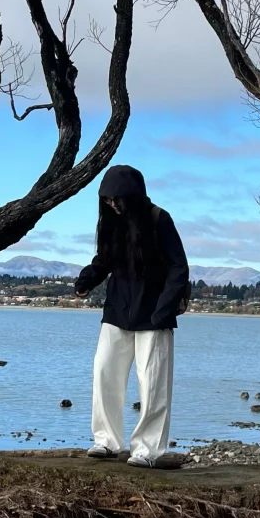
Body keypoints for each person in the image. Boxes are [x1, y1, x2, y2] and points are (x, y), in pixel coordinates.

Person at [74, 165, 189, 467]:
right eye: (107, 200)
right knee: (104, 372)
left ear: (134, 196)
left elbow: (179, 267)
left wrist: (164, 308)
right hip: (117, 311)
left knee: (152, 384)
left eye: (117, 199)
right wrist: (87, 279)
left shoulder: (159, 219)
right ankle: (107, 443)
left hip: (154, 314)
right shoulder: (112, 222)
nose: (112, 205)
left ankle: (148, 451)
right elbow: (105, 260)